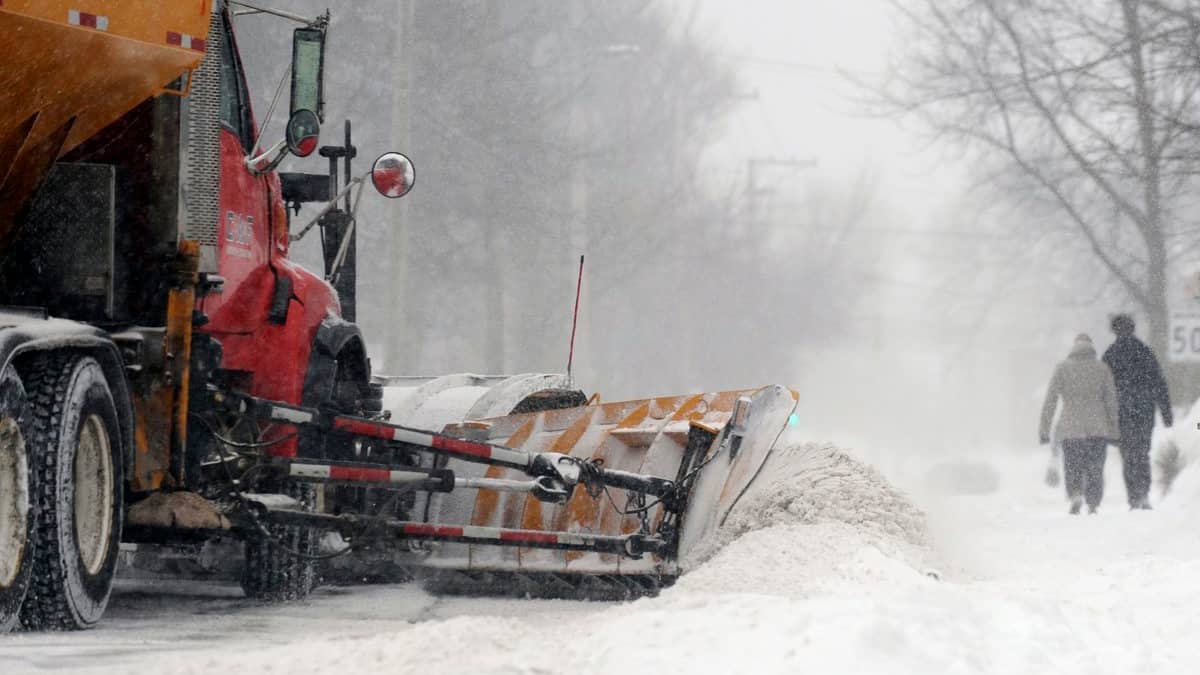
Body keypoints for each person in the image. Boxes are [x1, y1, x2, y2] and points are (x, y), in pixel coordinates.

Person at [1039, 334, 1119, 514]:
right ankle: (1093, 502)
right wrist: (1114, 430)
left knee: (1073, 465)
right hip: (1097, 427)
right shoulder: (1102, 369)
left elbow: (1050, 400)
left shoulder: (1062, 368)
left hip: (1071, 427)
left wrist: (1044, 430)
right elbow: (1111, 402)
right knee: (1095, 466)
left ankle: (1075, 494)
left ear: (1073, 347)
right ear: (1091, 348)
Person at [1102, 314, 1173, 510]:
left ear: (1114, 330)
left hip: (1121, 413)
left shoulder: (1110, 355)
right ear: (1133, 329)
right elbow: (1159, 382)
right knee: (1142, 453)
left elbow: (1104, 388)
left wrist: (1104, 415)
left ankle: (1133, 496)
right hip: (1144, 411)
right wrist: (1166, 413)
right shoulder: (1144, 352)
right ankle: (1143, 493)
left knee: (1127, 454)